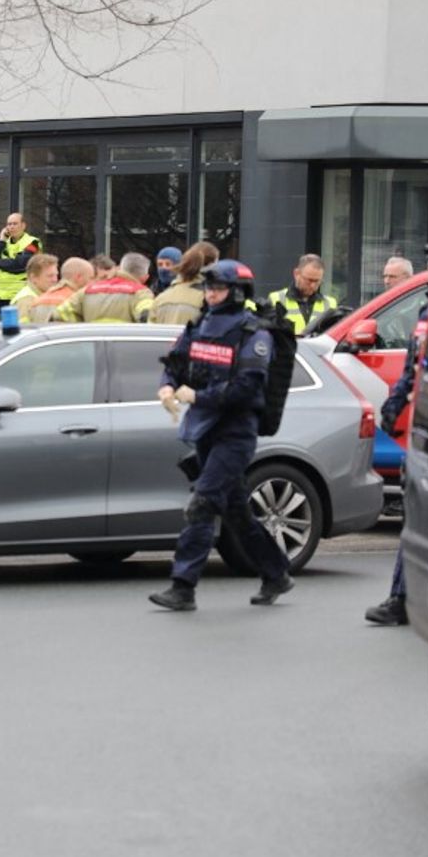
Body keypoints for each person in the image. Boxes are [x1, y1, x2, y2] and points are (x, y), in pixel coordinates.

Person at [150, 261, 294, 612]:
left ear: (238, 292)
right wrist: (167, 386)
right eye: (208, 288)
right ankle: (276, 573)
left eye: (218, 288)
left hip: (235, 432)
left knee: (202, 504)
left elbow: (247, 388)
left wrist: (199, 397)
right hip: (204, 429)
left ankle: (183, 587)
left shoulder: (254, 333)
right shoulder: (200, 324)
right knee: (236, 512)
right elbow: (176, 361)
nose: (211, 294)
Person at [365, 235, 428, 627]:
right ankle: (403, 598)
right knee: (419, 511)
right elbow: (413, 367)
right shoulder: (427, 311)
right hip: (427, 429)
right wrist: (395, 404)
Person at [54, 252, 154, 323]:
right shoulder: (141, 293)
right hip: (125, 345)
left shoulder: (88, 290)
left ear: (120, 268)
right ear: (145, 278)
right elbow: (148, 317)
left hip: (92, 344)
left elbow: (60, 315)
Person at [149, 241, 219, 326]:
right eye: (160, 264)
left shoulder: (160, 298)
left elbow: (150, 329)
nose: (164, 268)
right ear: (211, 265)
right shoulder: (210, 297)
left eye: (168, 264)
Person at [267, 254, 338, 335]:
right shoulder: (276, 299)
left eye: (317, 281)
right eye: (309, 280)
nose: (313, 285)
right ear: (296, 274)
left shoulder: (330, 304)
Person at [27, 257, 94, 324]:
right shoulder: (76, 300)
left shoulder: (38, 300)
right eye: (90, 278)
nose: (93, 282)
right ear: (78, 277)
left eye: (55, 275)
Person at [12, 253, 60, 323]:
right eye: (50, 276)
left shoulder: (43, 294)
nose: (55, 280)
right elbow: (23, 328)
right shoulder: (26, 300)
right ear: (33, 278)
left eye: (56, 275)